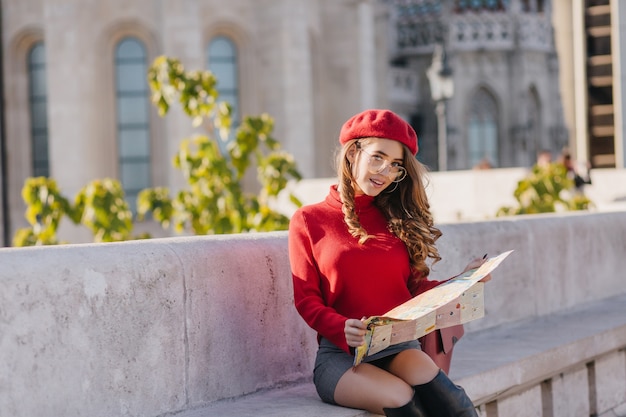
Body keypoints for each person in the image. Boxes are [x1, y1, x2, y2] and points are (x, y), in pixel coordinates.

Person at [288, 109, 491, 417]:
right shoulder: (308, 220)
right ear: (353, 152)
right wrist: (342, 327)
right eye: (378, 157)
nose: (385, 171)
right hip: (342, 356)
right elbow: (306, 301)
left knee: (450, 402)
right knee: (402, 399)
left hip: (398, 347)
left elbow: (413, 289)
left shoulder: (395, 218)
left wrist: (462, 282)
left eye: (396, 165)